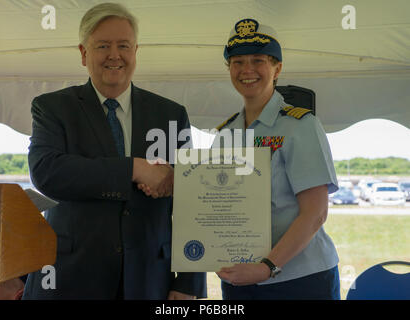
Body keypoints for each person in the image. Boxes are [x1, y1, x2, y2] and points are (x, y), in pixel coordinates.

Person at [22, 3, 206, 300]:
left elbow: (191, 202)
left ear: (136, 52)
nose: (114, 55)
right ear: (83, 53)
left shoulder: (171, 114)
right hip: (70, 279)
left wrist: (188, 283)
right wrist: (134, 168)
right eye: (103, 46)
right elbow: (48, 173)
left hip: (150, 281)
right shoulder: (52, 108)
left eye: (123, 45)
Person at [214, 18, 340, 299]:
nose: (247, 70)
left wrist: (268, 266)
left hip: (300, 279)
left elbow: (315, 213)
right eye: (237, 62)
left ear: (277, 68)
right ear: (229, 69)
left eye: (258, 60)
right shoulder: (224, 134)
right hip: (242, 279)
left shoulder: (300, 126)